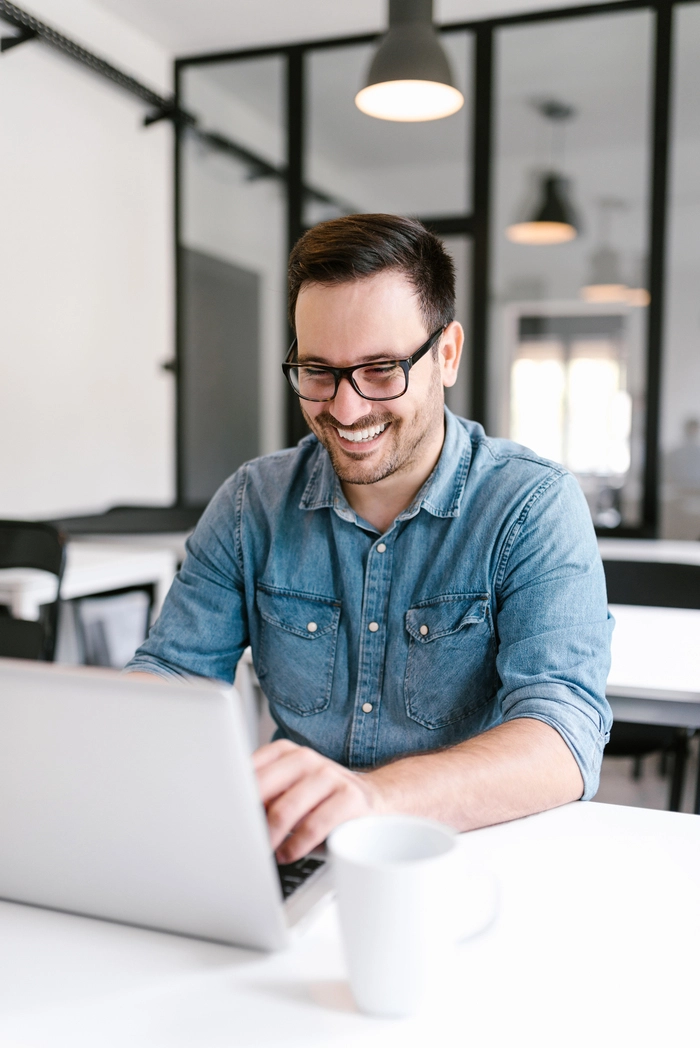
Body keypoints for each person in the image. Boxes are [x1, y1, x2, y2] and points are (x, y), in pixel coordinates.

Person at [126, 214, 612, 863]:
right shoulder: (252, 504)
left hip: (472, 855)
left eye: (381, 370)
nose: (347, 409)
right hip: (296, 850)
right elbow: (176, 674)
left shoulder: (531, 505)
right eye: (317, 371)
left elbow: (562, 736)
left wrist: (371, 798)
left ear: (446, 353)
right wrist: (115, 736)